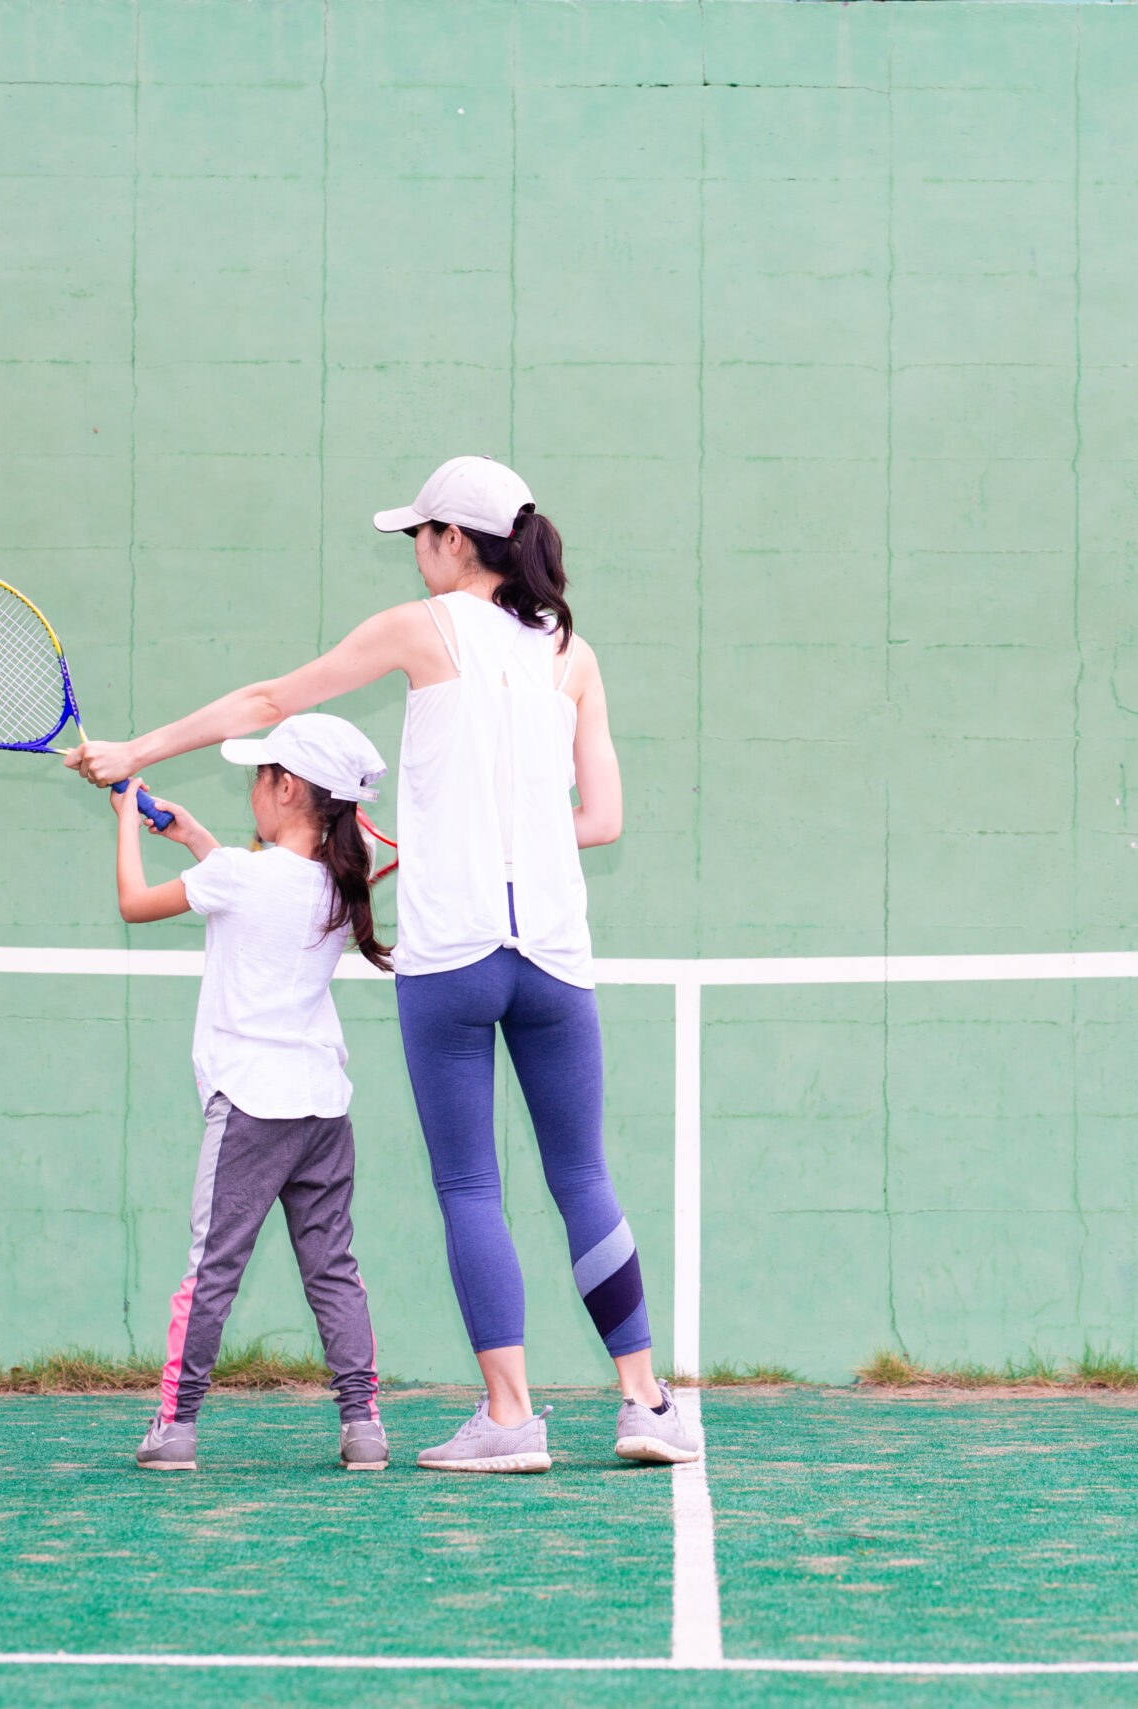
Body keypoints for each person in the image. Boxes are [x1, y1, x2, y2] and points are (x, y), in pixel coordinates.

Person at [68, 455, 700, 1473]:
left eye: (419, 534)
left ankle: (510, 1418)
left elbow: (271, 696)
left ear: (455, 540)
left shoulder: (422, 627)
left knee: (469, 1183)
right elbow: (603, 818)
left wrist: (137, 748)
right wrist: (502, 846)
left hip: (451, 958)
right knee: (580, 1171)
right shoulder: (572, 654)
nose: (414, 552)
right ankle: (643, 1400)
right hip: (554, 953)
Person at [109, 712, 394, 1474]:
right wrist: (196, 836)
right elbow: (257, 889)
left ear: (289, 788)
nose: (252, 787)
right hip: (323, 1111)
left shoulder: (241, 875)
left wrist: (126, 824)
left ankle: (175, 1426)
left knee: (212, 1267)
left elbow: (135, 903)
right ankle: (363, 1425)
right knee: (332, 1266)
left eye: (260, 774)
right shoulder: (338, 883)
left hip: (251, 1108)